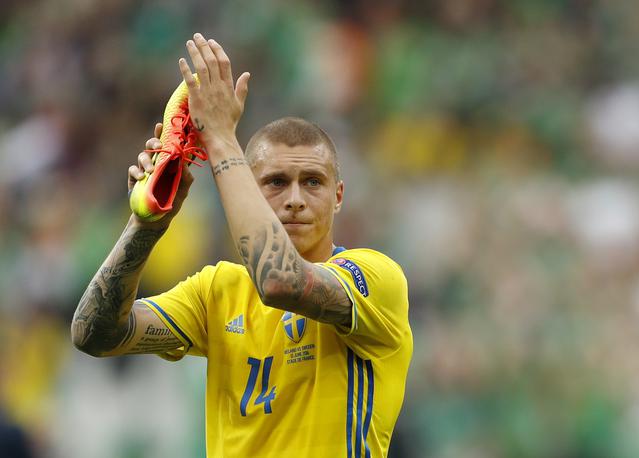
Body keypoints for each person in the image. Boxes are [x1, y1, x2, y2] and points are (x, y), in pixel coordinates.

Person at [71, 33, 412, 458]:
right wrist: (146, 223)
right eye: (274, 182)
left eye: (312, 182)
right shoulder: (217, 292)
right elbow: (94, 334)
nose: (294, 198)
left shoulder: (376, 280)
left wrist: (219, 138)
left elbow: (280, 282)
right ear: (246, 189)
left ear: (338, 196)